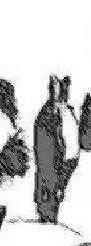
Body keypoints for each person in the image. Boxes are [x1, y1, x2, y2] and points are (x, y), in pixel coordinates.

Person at [34, 75, 80, 223]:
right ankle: (47, 214)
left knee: (59, 186)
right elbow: (45, 137)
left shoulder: (67, 109)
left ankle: (50, 213)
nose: (63, 93)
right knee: (50, 184)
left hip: (69, 156)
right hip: (54, 157)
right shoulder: (49, 111)